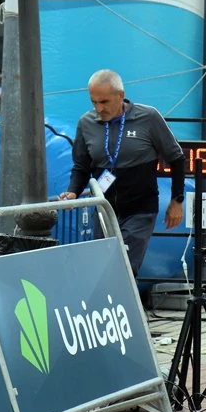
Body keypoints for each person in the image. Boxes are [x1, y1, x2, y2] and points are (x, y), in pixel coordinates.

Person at [56, 69, 185, 275]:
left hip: (140, 210)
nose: (99, 108)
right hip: (104, 209)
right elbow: (81, 166)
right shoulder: (86, 123)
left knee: (122, 267)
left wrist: (177, 200)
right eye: (94, 102)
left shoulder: (148, 117)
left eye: (104, 102)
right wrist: (72, 192)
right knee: (101, 268)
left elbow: (177, 158)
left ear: (121, 95)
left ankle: (126, 306)